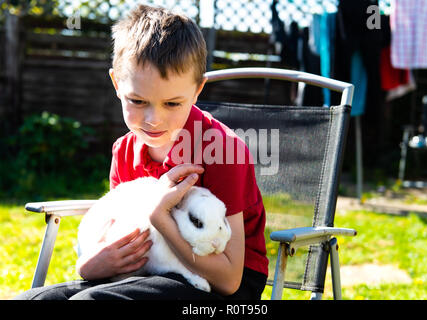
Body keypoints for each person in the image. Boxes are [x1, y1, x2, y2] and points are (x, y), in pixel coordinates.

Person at [14, 4, 268, 300]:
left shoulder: (222, 150)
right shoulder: (123, 151)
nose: (153, 119)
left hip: (219, 287)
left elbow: (230, 280)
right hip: (149, 272)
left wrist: (159, 216)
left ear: (198, 90)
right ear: (117, 85)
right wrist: (89, 266)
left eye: (172, 104)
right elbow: (121, 241)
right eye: (137, 101)